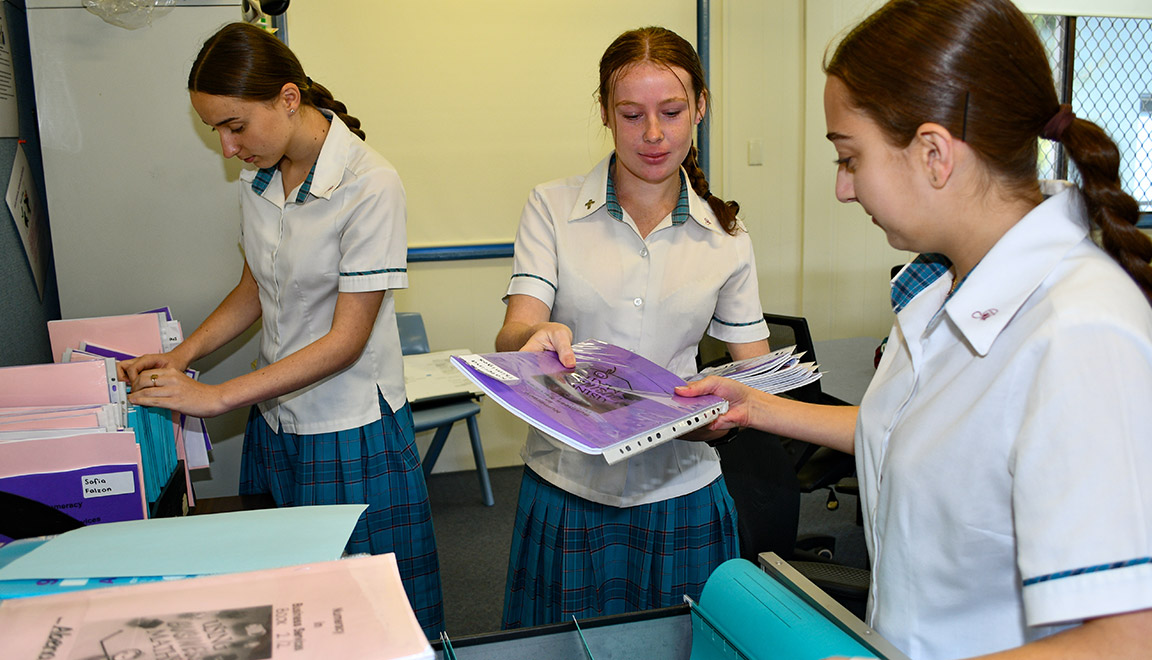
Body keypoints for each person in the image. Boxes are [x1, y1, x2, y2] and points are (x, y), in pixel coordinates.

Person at [679, 1, 1152, 658]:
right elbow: (907, 431)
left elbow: (1143, 644)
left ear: (933, 154)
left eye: (849, 157)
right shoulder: (940, 292)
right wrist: (754, 407)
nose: (843, 188)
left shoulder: (1078, 330)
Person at [119, 23, 444, 637]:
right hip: (275, 418)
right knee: (289, 604)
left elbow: (346, 342)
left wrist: (215, 396)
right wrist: (181, 355)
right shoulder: (260, 176)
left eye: (235, 126)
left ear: (288, 99)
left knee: (366, 616)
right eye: (215, 130)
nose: (227, 148)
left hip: (349, 430)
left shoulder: (370, 185)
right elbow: (255, 288)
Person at [494, 26, 772, 628]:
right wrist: (533, 340)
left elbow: (755, 373)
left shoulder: (727, 238)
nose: (652, 134)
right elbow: (515, 331)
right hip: (569, 484)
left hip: (682, 487)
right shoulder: (552, 208)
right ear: (604, 112)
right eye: (631, 114)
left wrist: (726, 418)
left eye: (671, 112)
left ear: (700, 107)